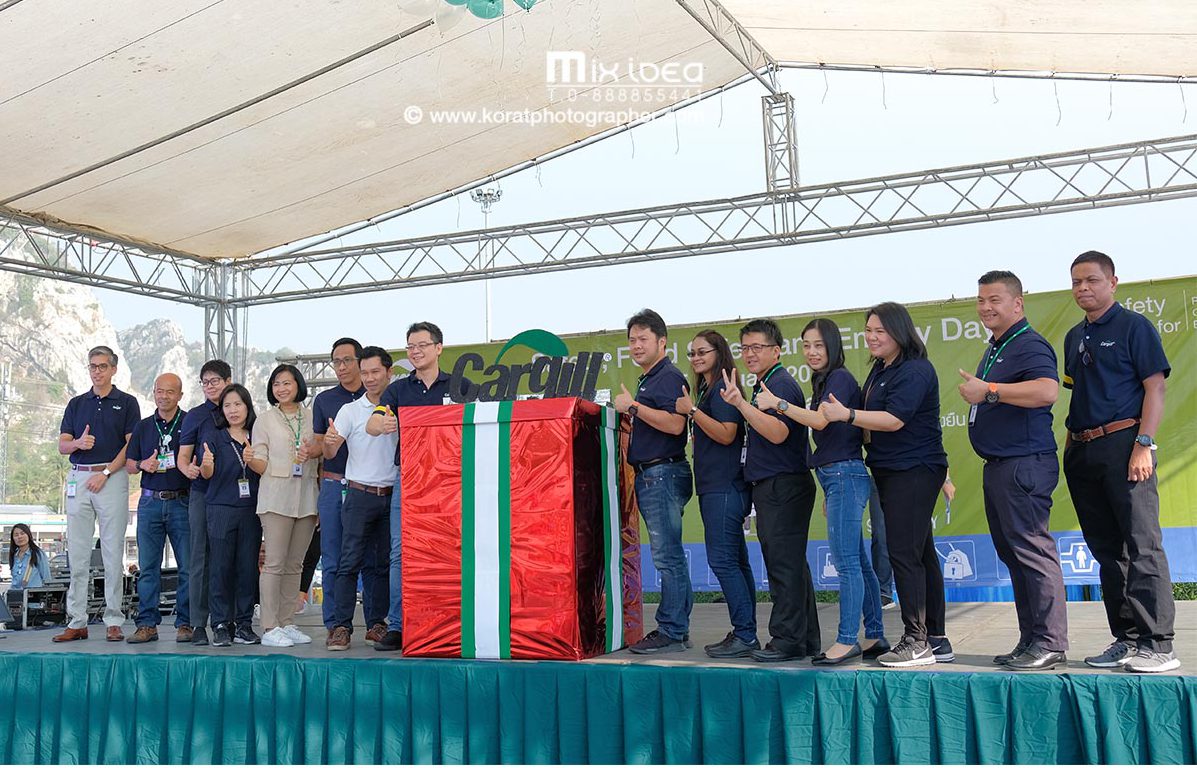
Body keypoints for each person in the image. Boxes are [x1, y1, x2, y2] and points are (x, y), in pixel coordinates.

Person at [1062, 251, 1178, 673]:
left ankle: (1158, 643)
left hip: (1125, 444)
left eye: (1091, 280)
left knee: (1141, 544)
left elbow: (1155, 389)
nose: (1083, 288)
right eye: (1076, 282)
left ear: (1113, 282)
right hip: (1082, 450)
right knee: (1107, 550)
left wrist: (1144, 443)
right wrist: (1071, 446)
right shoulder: (1074, 336)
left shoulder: (1134, 327)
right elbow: (1078, 391)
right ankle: (1126, 638)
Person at [820, 302, 953, 667]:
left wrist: (845, 414)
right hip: (890, 471)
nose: (872, 337)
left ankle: (915, 640)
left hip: (914, 470)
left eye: (880, 330)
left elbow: (894, 420)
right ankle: (936, 637)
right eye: (868, 331)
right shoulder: (880, 370)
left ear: (900, 331)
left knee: (904, 554)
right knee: (921, 554)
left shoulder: (915, 370)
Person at [757, 318, 888, 665]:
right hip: (837, 477)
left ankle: (847, 641)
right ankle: (874, 634)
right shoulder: (826, 380)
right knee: (859, 561)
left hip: (844, 474)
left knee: (846, 564)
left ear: (833, 345)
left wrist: (778, 405)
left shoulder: (840, 378)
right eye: (806, 346)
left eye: (819, 345)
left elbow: (819, 421)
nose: (812, 352)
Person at [957, 270, 1068, 671]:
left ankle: (1051, 641)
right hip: (1001, 466)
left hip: (1024, 464)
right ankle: (1032, 639)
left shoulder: (1029, 344)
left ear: (1017, 304)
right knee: (1015, 554)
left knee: (1032, 551)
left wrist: (990, 391)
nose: (986, 307)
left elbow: (1047, 390)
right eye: (981, 300)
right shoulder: (998, 346)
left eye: (995, 300)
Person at [721, 318, 820, 662]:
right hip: (777, 485)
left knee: (783, 567)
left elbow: (778, 433)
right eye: (745, 348)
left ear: (776, 351)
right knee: (791, 566)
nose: (749, 354)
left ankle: (786, 640)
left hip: (784, 486)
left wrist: (741, 406)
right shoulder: (764, 383)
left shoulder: (779, 385)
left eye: (757, 347)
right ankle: (805, 639)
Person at [365, 321, 455, 652]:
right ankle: (399, 624)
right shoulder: (398, 390)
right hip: (411, 478)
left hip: (451, 479)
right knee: (401, 550)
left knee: (449, 549)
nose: (415, 352)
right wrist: (383, 422)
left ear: (439, 348)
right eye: (410, 347)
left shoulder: (460, 384)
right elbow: (373, 422)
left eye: (421, 345)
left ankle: (448, 621)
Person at [611, 309, 693, 654]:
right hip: (653, 474)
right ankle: (676, 628)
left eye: (643, 339)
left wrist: (632, 407)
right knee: (668, 555)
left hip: (663, 474)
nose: (636, 345)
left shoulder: (668, 377)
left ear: (662, 341)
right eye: (632, 340)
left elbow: (677, 425)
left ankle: (672, 630)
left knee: (667, 556)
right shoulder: (650, 378)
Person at [675, 330, 757, 658]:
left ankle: (746, 633)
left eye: (702, 352)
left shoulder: (723, 386)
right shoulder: (711, 387)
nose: (695, 358)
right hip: (719, 486)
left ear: (718, 352)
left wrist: (692, 412)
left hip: (725, 487)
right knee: (736, 560)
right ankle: (745, 630)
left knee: (723, 560)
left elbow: (727, 434)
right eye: (692, 353)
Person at [53, 345, 140, 643]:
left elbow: (131, 446)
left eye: (103, 366)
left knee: (112, 551)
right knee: (77, 553)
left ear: (113, 369)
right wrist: (78, 443)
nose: (97, 371)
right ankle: (76, 620)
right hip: (79, 476)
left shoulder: (127, 403)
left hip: (111, 477)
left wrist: (104, 474)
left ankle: (113, 620)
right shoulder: (77, 403)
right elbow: (62, 445)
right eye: (93, 366)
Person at [326, 346, 400, 652]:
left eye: (375, 372)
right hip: (358, 494)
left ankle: (377, 624)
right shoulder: (350, 410)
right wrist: (329, 445)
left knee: (382, 565)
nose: (369, 379)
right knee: (349, 563)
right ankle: (341, 627)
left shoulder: (400, 404)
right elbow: (331, 452)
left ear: (389, 373)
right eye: (365, 372)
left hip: (392, 496)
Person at [246, 364, 319, 648]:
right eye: (277, 384)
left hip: (306, 496)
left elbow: (321, 454)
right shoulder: (264, 419)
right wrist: (250, 458)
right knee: (274, 563)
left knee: (295, 564)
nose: (282, 389)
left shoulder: (312, 417)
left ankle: (287, 622)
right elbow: (260, 461)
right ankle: (269, 625)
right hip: (276, 497)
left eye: (287, 383)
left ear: (298, 384)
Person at [310, 338, 375, 638]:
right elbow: (321, 446)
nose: (341, 366)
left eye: (347, 360)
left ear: (361, 363)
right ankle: (336, 625)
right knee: (333, 558)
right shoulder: (324, 400)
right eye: (336, 361)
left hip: (369, 487)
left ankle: (378, 622)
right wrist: (320, 446)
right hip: (335, 486)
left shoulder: (378, 395)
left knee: (373, 558)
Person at [124, 373, 191, 644]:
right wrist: (143, 465)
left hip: (182, 501)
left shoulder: (189, 422)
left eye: (169, 392)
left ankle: (185, 623)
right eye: (159, 391)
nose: (163, 396)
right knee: (148, 567)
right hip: (150, 502)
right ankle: (147, 624)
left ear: (180, 395)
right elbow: (129, 464)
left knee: (187, 567)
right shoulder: (143, 426)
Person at [198, 384, 262, 648]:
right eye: (227, 405)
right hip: (221, 508)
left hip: (251, 509)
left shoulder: (258, 435)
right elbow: (206, 474)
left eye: (238, 404)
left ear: (247, 405)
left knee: (247, 568)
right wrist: (207, 465)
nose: (233, 410)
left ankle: (244, 624)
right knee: (221, 567)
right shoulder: (214, 435)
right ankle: (221, 624)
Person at [177, 359, 233, 646]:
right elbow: (183, 456)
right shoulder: (195, 416)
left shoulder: (240, 409)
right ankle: (198, 623)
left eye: (216, 381)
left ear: (228, 380)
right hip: (202, 493)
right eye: (206, 382)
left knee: (230, 559)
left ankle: (230, 621)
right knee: (199, 558)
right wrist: (187, 468)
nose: (210, 386)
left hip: (235, 496)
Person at [8, 524, 49, 590]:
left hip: (33, 596)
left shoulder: (38, 553)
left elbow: (46, 578)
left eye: (22, 533)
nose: (19, 537)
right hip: (15, 596)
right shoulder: (14, 555)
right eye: (16, 535)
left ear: (28, 535)